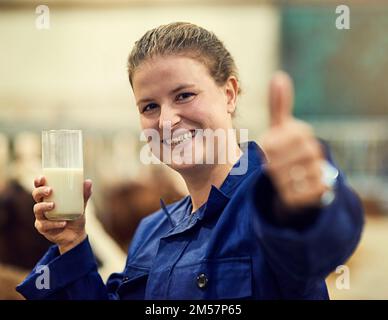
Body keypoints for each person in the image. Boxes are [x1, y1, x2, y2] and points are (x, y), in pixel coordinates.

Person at [17, 22, 363, 299]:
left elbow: (323, 242)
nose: (166, 122)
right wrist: (73, 243)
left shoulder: (270, 206)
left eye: (184, 95)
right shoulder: (151, 231)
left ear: (228, 94)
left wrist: (311, 194)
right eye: (149, 106)